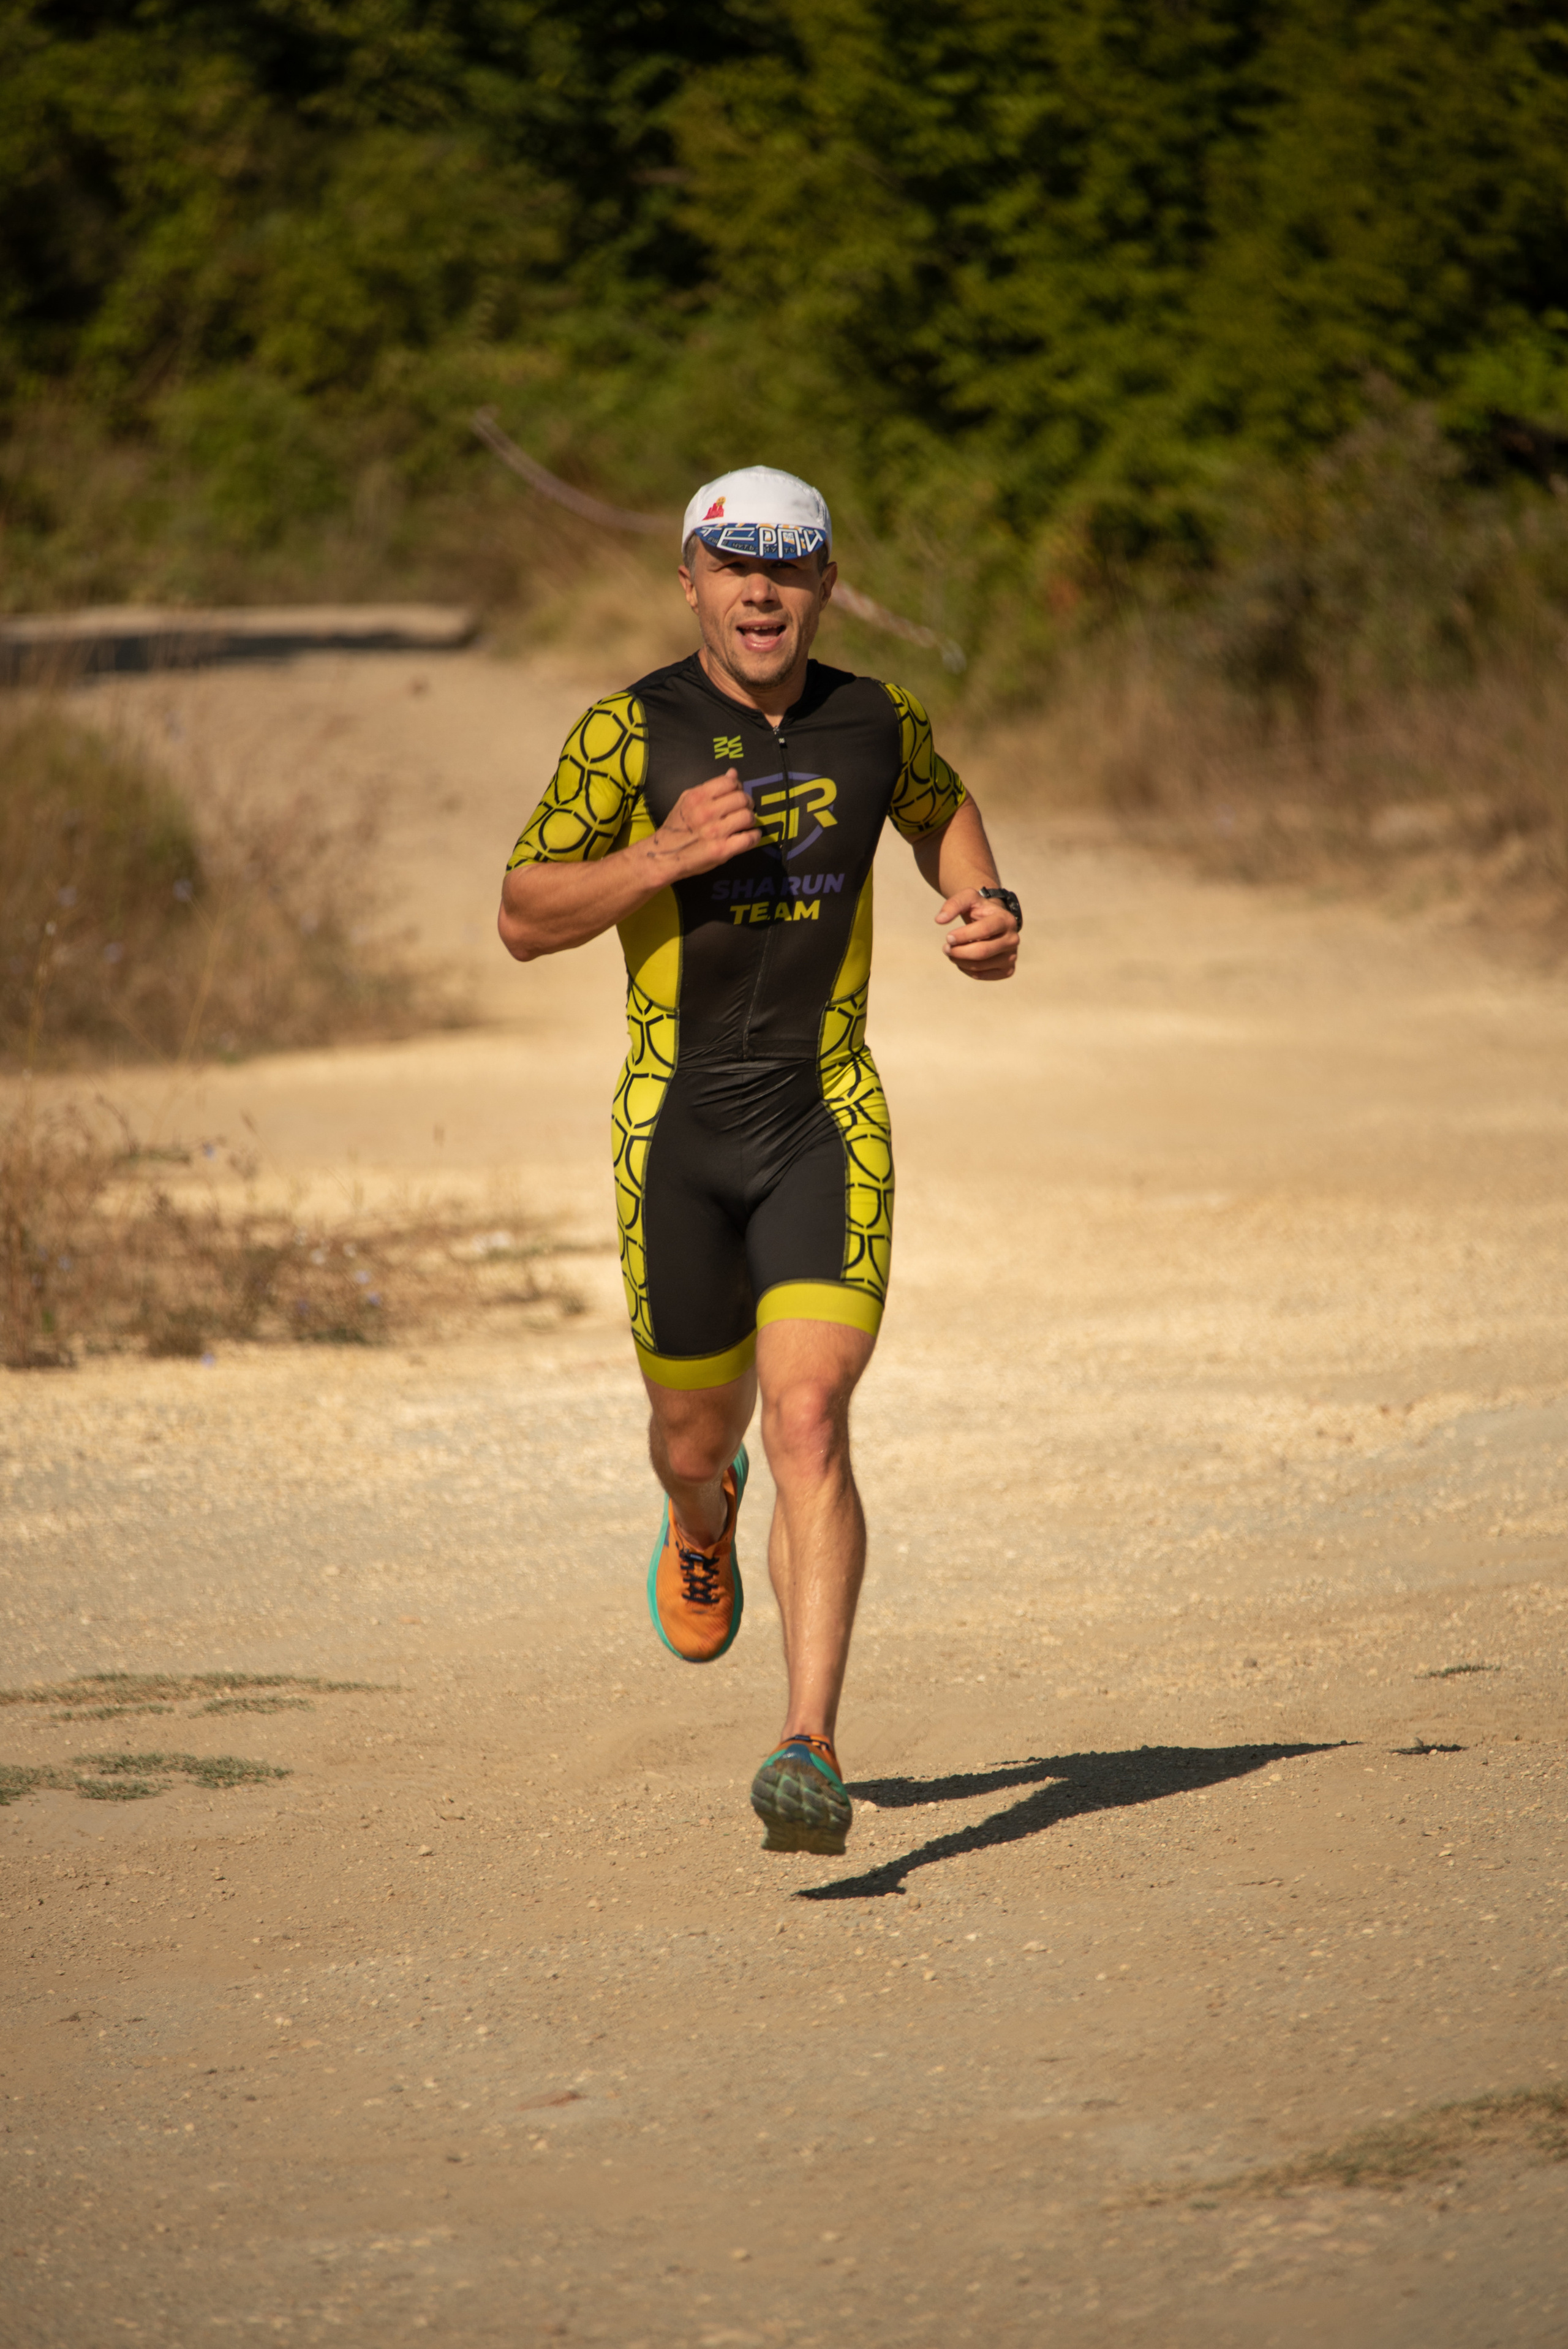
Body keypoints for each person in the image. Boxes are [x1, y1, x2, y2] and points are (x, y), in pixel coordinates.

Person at [498, 466, 1020, 1856]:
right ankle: (698, 1520)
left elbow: (939, 808)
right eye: (734, 567)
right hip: (672, 1133)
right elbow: (520, 915)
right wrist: (659, 858)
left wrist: (984, 906)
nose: (760, 593)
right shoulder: (627, 733)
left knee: (806, 1423)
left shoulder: (874, 718)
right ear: (689, 580)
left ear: (824, 585)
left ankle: (808, 1745)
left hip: (822, 1119)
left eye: (787, 570)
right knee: (696, 1439)